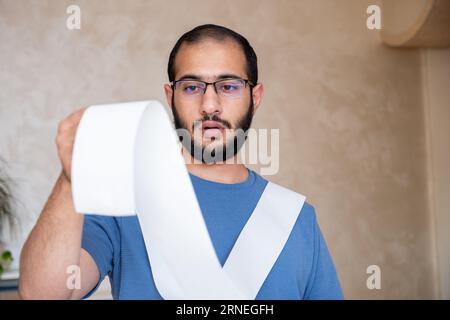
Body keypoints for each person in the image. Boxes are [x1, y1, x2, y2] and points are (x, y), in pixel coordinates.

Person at [19, 24, 343, 299]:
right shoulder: (124, 202)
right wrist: (69, 179)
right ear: (170, 96)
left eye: (229, 86)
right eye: (191, 87)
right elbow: (42, 294)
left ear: (254, 98)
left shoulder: (297, 217)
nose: (210, 105)